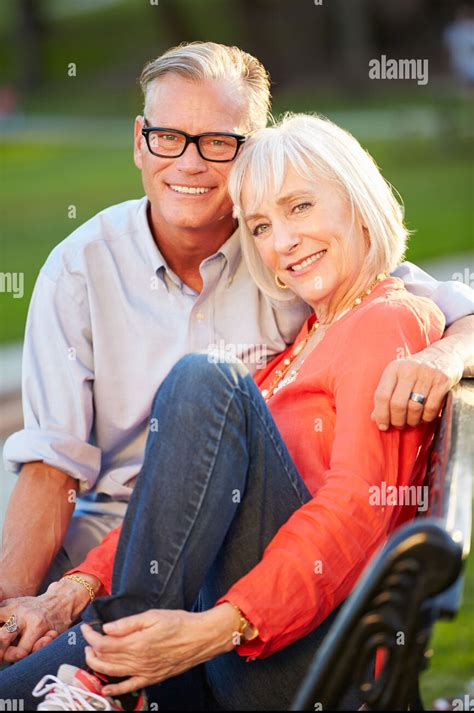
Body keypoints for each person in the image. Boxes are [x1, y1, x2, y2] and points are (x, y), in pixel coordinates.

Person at [1, 42, 473, 655]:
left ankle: (99, 673)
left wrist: (442, 355)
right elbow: (50, 463)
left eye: (218, 142)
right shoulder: (80, 270)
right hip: (108, 558)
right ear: (140, 142)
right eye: (170, 136)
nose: (190, 164)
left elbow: (403, 298)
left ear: (246, 152)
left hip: (240, 593)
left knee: (205, 380)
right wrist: (17, 604)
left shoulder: (313, 274)